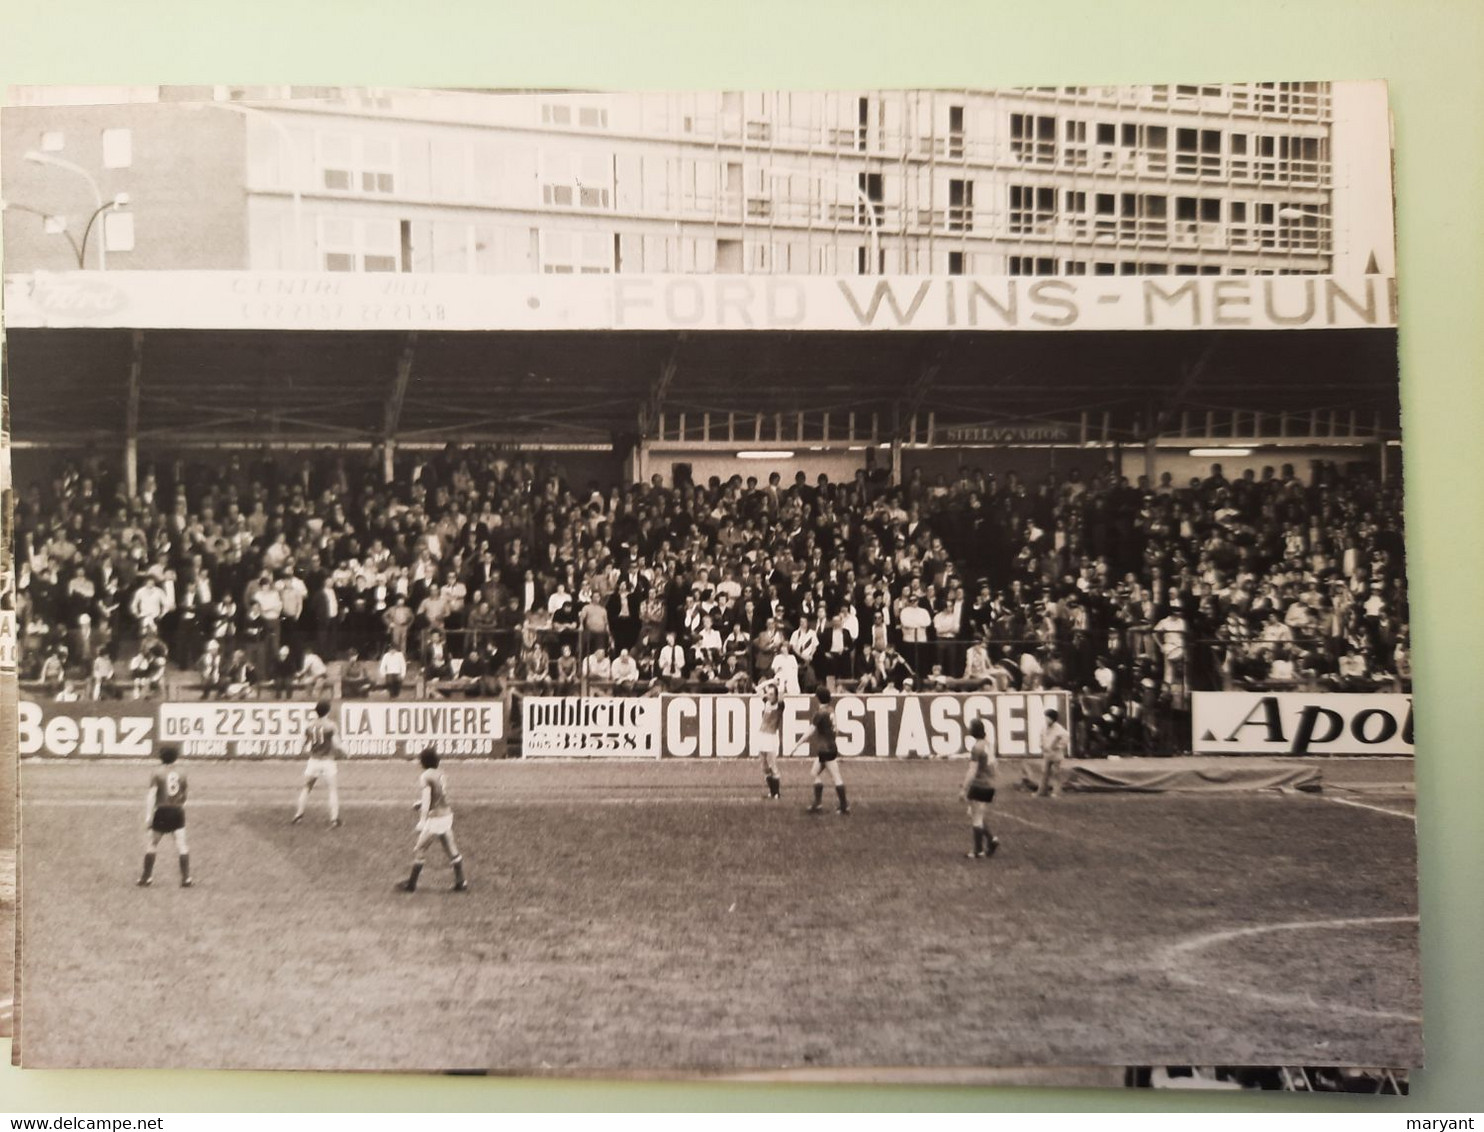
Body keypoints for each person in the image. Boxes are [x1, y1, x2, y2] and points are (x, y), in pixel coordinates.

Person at [398, 747, 468, 893]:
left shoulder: (425, 776)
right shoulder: (441, 773)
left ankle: (411, 884)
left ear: (423, 761)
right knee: (451, 848)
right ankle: (461, 882)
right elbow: (439, 795)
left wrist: (422, 820)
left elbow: (427, 797)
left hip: (435, 818)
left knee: (420, 848)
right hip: (447, 815)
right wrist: (421, 803)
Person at [138, 744, 193, 888]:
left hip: (162, 811)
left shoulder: (157, 772)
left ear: (161, 757)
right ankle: (186, 878)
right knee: (181, 844)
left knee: (152, 844)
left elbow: (151, 795)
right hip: (177, 811)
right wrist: (181, 805)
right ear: (176, 757)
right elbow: (185, 793)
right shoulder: (182, 772)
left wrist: (149, 817)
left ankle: (146, 877)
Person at [796, 688, 849, 815]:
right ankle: (818, 804)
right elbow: (836, 730)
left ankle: (843, 806)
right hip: (831, 747)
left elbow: (810, 731)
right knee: (815, 773)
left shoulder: (820, 713)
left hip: (825, 749)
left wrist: (797, 744)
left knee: (836, 777)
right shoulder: (831, 710)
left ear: (818, 698)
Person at [292, 697, 342, 827]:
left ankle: (298, 815)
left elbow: (302, 743)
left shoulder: (309, 725)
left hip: (313, 760)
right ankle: (334, 819)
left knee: (306, 788)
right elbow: (336, 744)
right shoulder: (331, 726)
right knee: (332, 790)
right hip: (327, 761)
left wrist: (298, 751)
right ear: (328, 711)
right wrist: (346, 751)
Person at [959, 718, 999, 860]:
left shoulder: (976, 748)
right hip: (990, 784)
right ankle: (991, 840)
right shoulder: (988, 744)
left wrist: (964, 788)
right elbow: (994, 764)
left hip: (980, 785)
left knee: (976, 818)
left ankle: (978, 851)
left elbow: (972, 770)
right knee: (975, 814)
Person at [757, 680, 784, 800]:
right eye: (768, 693)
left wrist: (779, 683)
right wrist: (770, 682)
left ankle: (776, 793)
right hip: (762, 735)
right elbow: (758, 689)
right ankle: (772, 792)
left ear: (776, 695)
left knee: (772, 764)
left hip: (771, 736)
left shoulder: (779, 706)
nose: (769, 696)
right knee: (764, 766)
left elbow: (782, 692)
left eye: (772, 694)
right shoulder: (767, 703)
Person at [1038, 708, 1071, 799]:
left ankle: (1056, 792)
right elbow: (1041, 737)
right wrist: (1041, 745)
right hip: (1047, 754)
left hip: (1056, 754)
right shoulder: (1044, 728)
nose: (1046, 720)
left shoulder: (1059, 729)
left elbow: (1066, 737)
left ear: (1052, 719)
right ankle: (1042, 791)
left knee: (1056, 773)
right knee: (1044, 773)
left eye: (1047, 718)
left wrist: (1059, 746)